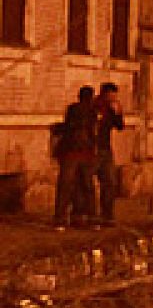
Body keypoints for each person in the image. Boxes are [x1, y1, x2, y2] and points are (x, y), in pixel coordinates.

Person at [52, 86, 97, 229]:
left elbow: (67, 127)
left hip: (72, 153)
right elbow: (92, 133)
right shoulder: (91, 112)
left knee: (67, 186)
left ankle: (62, 218)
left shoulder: (74, 110)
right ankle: (87, 217)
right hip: (82, 153)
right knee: (86, 186)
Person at [91, 82, 125, 227]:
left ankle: (107, 214)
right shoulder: (94, 106)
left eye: (114, 95)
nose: (113, 98)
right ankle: (89, 215)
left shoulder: (113, 108)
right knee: (87, 183)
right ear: (104, 93)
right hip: (92, 149)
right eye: (111, 95)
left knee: (109, 182)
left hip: (105, 148)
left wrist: (117, 113)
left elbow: (120, 126)